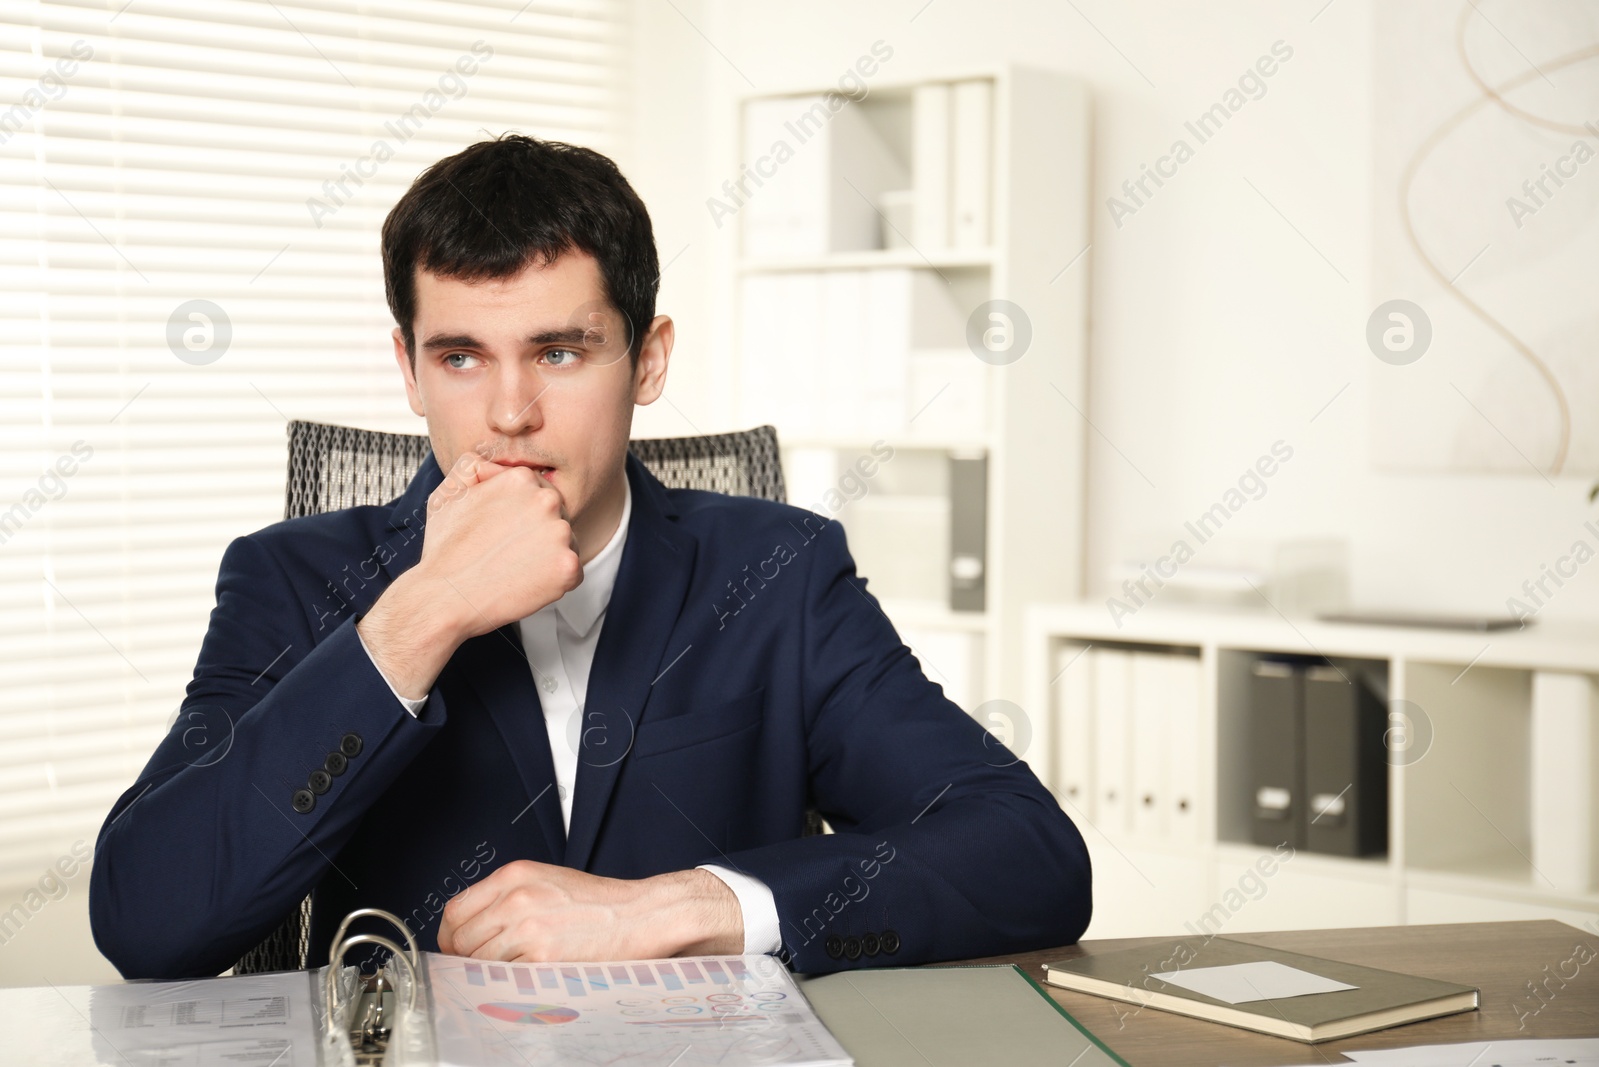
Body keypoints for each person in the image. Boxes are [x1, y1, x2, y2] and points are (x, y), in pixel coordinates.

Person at [88, 133, 1092, 980]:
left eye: (559, 351)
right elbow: (147, 919)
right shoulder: (294, 578)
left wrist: (682, 909)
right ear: (408, 369)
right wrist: (421, 612)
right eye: (460, 357)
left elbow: (1030, 858)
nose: (511, 412)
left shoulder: (779, 571)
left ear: (646, 359)